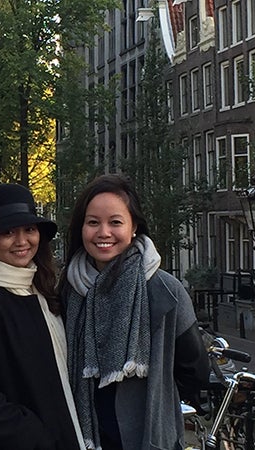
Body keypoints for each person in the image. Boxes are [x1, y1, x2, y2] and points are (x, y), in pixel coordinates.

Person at [59, 174, 210, 450]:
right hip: (84, 436)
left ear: (134, 227)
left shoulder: (166, 290)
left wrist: (159, 402)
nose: (103, 232)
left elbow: (195, 369)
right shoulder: (68, 290)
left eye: (115, 222)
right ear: (81, 228)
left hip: (147, 438)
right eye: (93, 222)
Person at [0, 183, 84, 450]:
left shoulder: (44, 288)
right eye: (8, 232)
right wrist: (39, 438)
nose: (22, 241)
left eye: (29, 230)